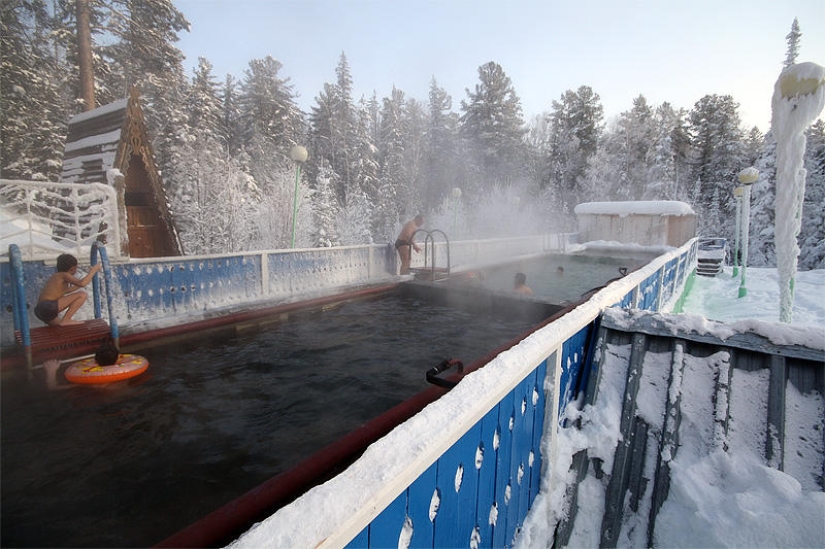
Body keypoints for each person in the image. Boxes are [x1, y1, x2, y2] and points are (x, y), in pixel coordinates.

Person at [35, 254, 102, 327]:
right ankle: (67, 319)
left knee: (60, 328)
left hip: (41, 310)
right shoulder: (64, 275)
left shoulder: (56, 277)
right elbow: (82, 283)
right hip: (47, 306)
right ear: (72, 268)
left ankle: (64, 323)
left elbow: (69, 290)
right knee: (82, 295)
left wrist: (88, 278)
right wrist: (93, 271)